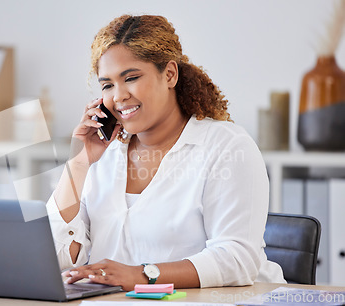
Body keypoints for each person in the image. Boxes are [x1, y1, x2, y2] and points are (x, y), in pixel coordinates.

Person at [45, 14, 285, 292]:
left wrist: (141, 275)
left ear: (169, 74)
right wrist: (78, 162)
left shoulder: (227, 147)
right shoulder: (102, 155)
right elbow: (58, 259)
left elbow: (237, 260)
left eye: (131, 78)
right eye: (107, 85)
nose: (119, 96)